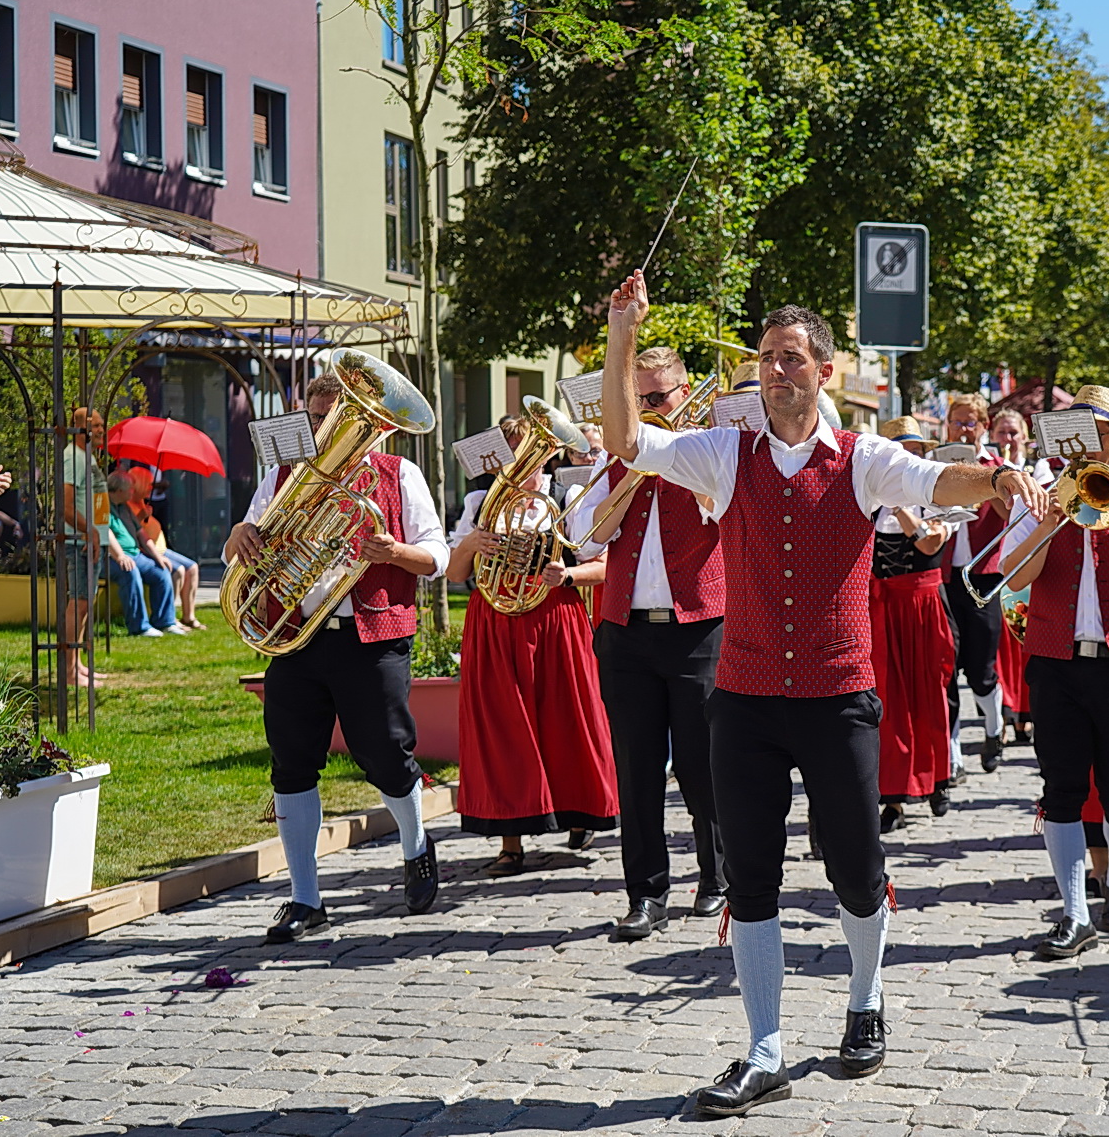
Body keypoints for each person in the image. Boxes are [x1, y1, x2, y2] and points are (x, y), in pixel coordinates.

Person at [599, 270, 1046, 1114]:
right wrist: (625, 331)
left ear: (826, 372)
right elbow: (628, 441)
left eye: (793, 358)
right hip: (746, 698)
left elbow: (930, 482)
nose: (776, 370)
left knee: (856, 866)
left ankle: (865, 999)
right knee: (752, 878)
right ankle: (764, 1047)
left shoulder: (863, 459)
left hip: (840, 696)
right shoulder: (723, 454)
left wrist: (993, 479)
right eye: (766, 357)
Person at [224, 369, 450, 944]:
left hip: (371, 635)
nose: (324, 430)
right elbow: (241, 540)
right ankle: (305, 898)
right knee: (291, 763)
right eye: (318, 418)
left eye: (336, 418)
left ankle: (416, 845)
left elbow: (437, 556)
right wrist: (240, 538)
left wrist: (394, 551)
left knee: (385, 755)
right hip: (296, 636)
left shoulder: (400, 472)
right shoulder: (282, 474)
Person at [1000, 386, 1109, 954]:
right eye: (1070, 433)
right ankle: (1075, 912)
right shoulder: (1040, 495)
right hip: (1055, 661)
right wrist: (1050, 517)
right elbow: (1016, 578)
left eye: (1093, 433)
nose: (1080, 445)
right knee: (1061, 789)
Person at [574, 345, 730, 939]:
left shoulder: (709, 452)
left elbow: (721, 513)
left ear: (685, 394)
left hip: (698, 630)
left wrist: (676, 465)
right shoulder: (613, 462)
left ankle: (716, 879)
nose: (647, 409)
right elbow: (583, 537)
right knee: (636, 770)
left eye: (658, 398)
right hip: (626, 633)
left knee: (701, 766)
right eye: (637, 400)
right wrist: (627, 478)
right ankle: (646, 894)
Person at [448, 415, 617, 880]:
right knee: (505, 725)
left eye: (529, 450)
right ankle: (510, 840)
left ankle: (581, 811)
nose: (520, 461)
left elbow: (604, 564)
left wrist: (569, 575)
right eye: (511, 450)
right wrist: (471, 544)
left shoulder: (567, 498)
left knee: (568, 716)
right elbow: (454, 574)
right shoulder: (481, 501)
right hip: (495, 620)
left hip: (554, 618)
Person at [870, 417, 957, 831]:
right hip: (881, 608)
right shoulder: (870, 504)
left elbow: (927, 542)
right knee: (889, 702)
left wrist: (899, 501)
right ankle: (894, 797)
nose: (909, 457)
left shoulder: (937, 502)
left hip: (923, 607)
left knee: (930, 695)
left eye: (914, 451)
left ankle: (937, 778)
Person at [938, 392, 1009, 775]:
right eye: (957, 422)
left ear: (983, 428)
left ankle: (993, 729)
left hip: (983, 576)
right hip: (945, 576)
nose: (963, 429)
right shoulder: (935, 464)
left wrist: (987, 475)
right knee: (947, 666)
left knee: (981, 668)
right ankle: (953, 757)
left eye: (971, 423)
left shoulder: (998, 466)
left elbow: (1008, 513)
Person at [987, 408, 1042, 744]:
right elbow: (1002, 513)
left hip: (1039, 560)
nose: (1009, 439)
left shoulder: (1041, 470)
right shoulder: (990, 469)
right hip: (1008, 561)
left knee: (1032, 642)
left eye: (1014, 433)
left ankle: (1029, 712)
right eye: (1003, 433)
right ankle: (1011, 711)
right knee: (1010, 643)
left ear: (1024, 436)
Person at [61, 410, 110, 688]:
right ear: (78, 428)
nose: (101, 430)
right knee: (77, 604)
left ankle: (77, 665)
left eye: (102, 425)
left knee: (84, 605)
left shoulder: (88, 456)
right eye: (94, 426)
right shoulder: (72, 458)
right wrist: (88, 532)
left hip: (92, 541)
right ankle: (69, 672)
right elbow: (66, 507)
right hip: (80, 543)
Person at [105, 470, 185, 637]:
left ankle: (165, 621)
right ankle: (139, 626)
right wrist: (120, 556)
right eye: (130, 489)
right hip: (111, 557)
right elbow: (104, 532)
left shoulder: (125, 507)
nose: (132, 492)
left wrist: (158, 557)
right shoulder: (103, 506)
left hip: (135, 554)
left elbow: (142, 534)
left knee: (161, 571)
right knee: (130, 572)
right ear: (119, 491)